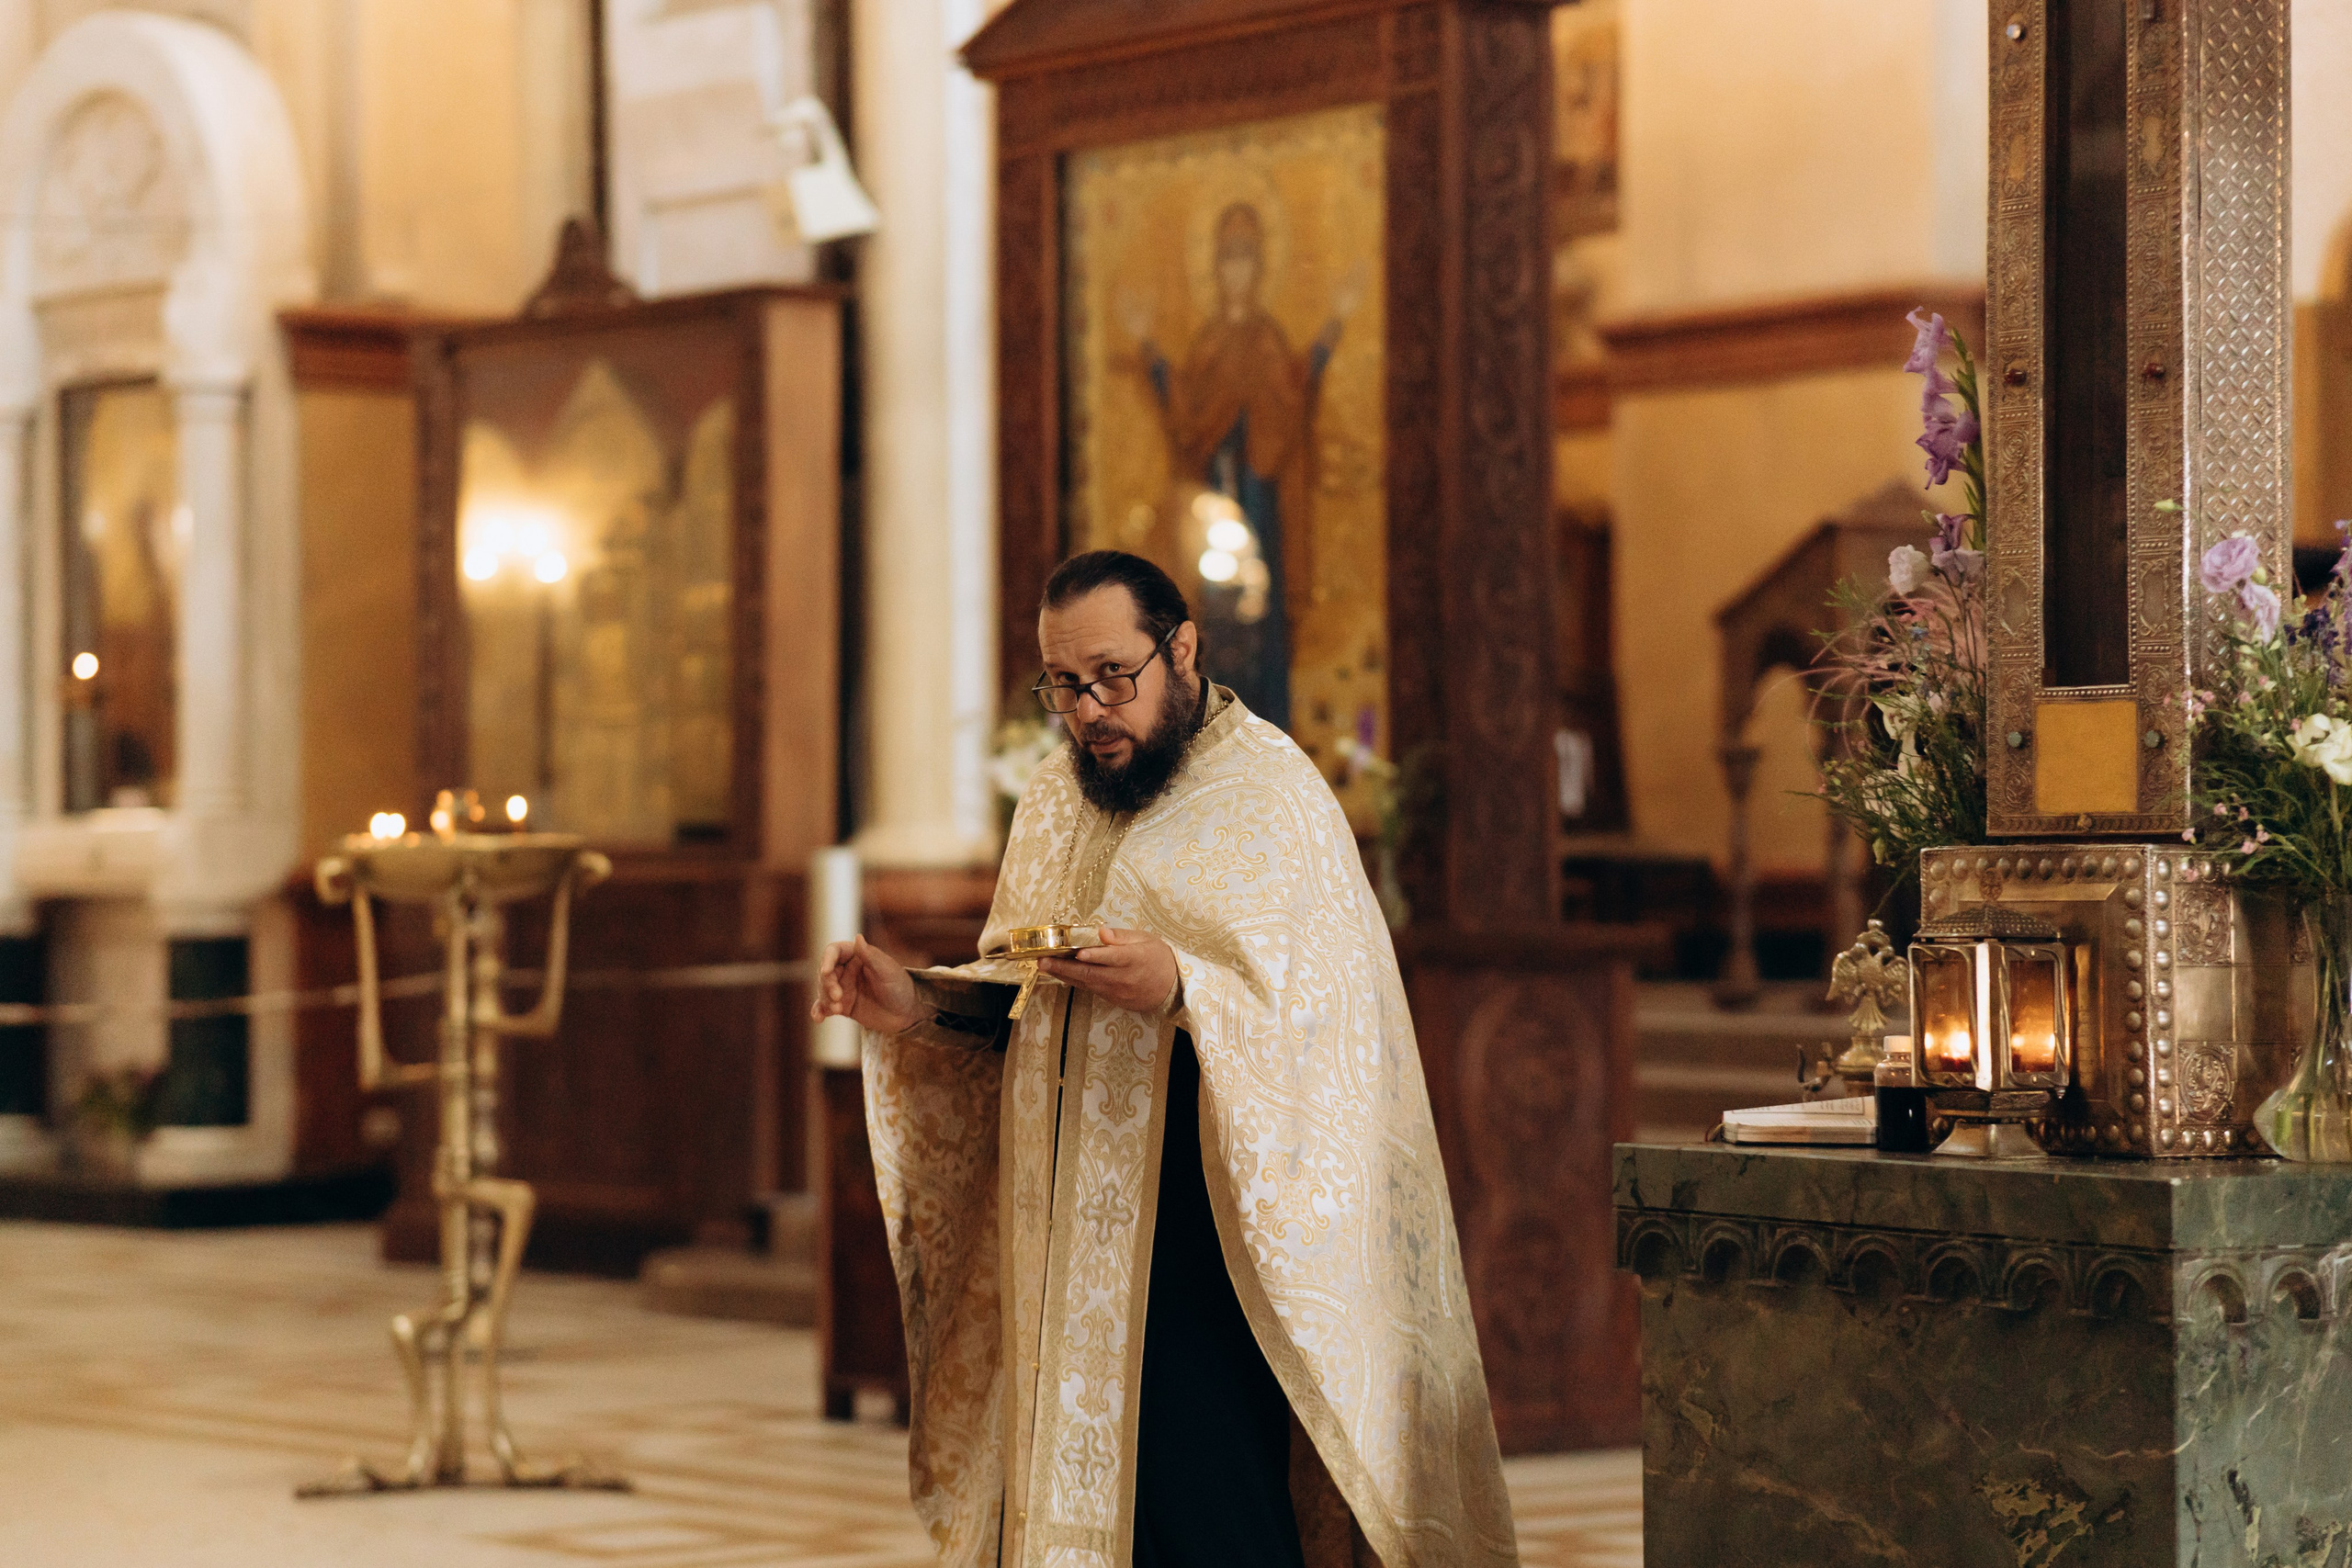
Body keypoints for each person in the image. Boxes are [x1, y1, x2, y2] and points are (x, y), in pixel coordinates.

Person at [814, 550, 1517, 1568]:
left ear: (1181, 649)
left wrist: (1186, 984)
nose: (1089, 709)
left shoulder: (1273, 796)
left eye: (1112, 675)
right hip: (1064, 1245)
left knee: (1209, 1511)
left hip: (1209, 1240)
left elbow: (1335, 1030)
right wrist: (914, 1001)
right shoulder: (1055, 800)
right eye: (1062, 684)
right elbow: (1023, 1000)